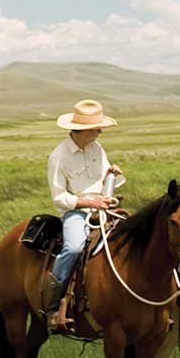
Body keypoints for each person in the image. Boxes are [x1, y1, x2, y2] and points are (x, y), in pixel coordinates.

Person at [44, 99, 124, 331]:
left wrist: (111, 174)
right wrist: (90, 202)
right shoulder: (58, 157)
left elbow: (103, 181)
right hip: (76, 213)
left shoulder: (97, 149)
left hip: (105, 208)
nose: (100, 132)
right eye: (97, 128)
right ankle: (53, 303)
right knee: (74, 248)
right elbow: (59, 197)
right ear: (83, 130)